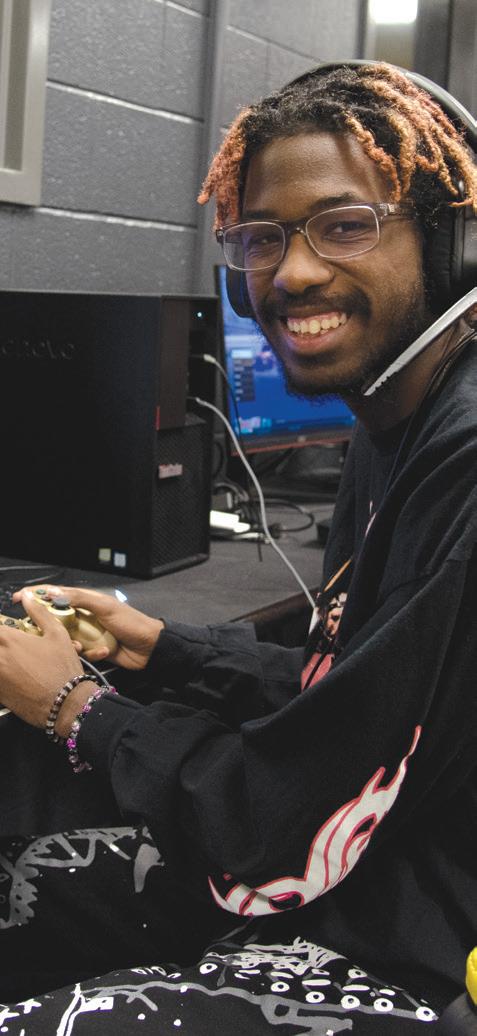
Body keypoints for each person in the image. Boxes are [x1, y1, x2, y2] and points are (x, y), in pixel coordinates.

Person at [0, 61, 476, 1033]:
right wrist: (167, 647)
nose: (291, 273)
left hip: (417, 938)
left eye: (344, 225)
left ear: (452, 240)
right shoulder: (394, 419)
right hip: (365, 873)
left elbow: (301, 804)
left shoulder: (462, 457)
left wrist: (78, 708)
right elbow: (352, 692)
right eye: (261, 237)